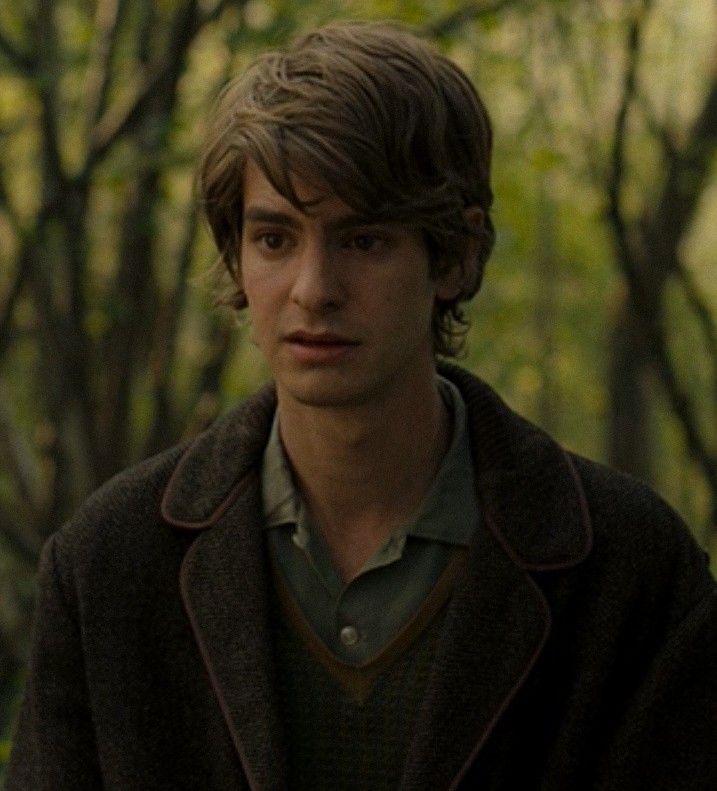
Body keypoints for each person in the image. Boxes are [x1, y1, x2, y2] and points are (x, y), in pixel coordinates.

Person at [8, 20, 716, 791]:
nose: (313, 289)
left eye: (363, 240)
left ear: (454, 255)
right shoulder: (110, 566)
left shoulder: (629, 572)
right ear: (238, 257)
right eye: (275, 239)